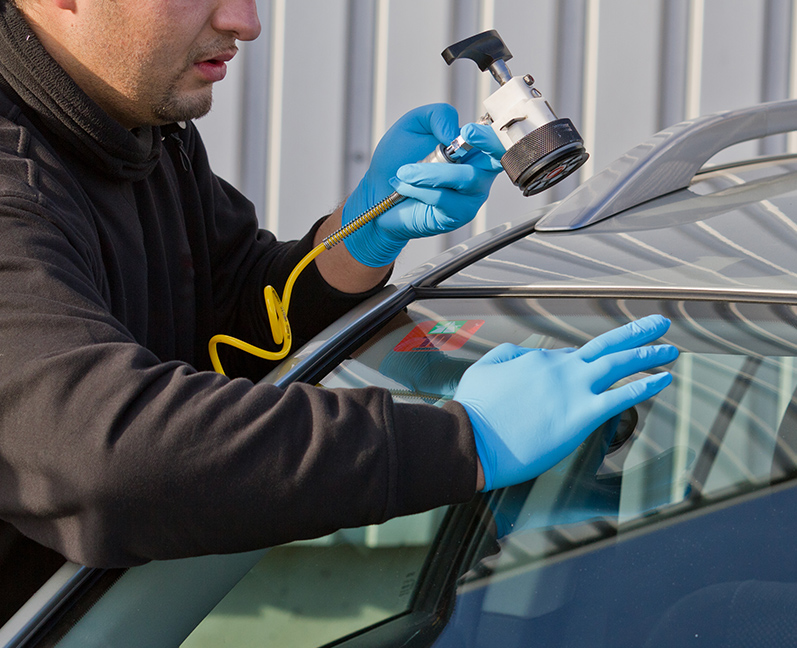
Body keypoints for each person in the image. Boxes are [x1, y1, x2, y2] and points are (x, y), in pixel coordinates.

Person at [0, 0, 678, 616]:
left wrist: (362, 231)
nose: (244, 21)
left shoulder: (131, 121)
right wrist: (463, 442)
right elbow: (103, 454)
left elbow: (227, 318)